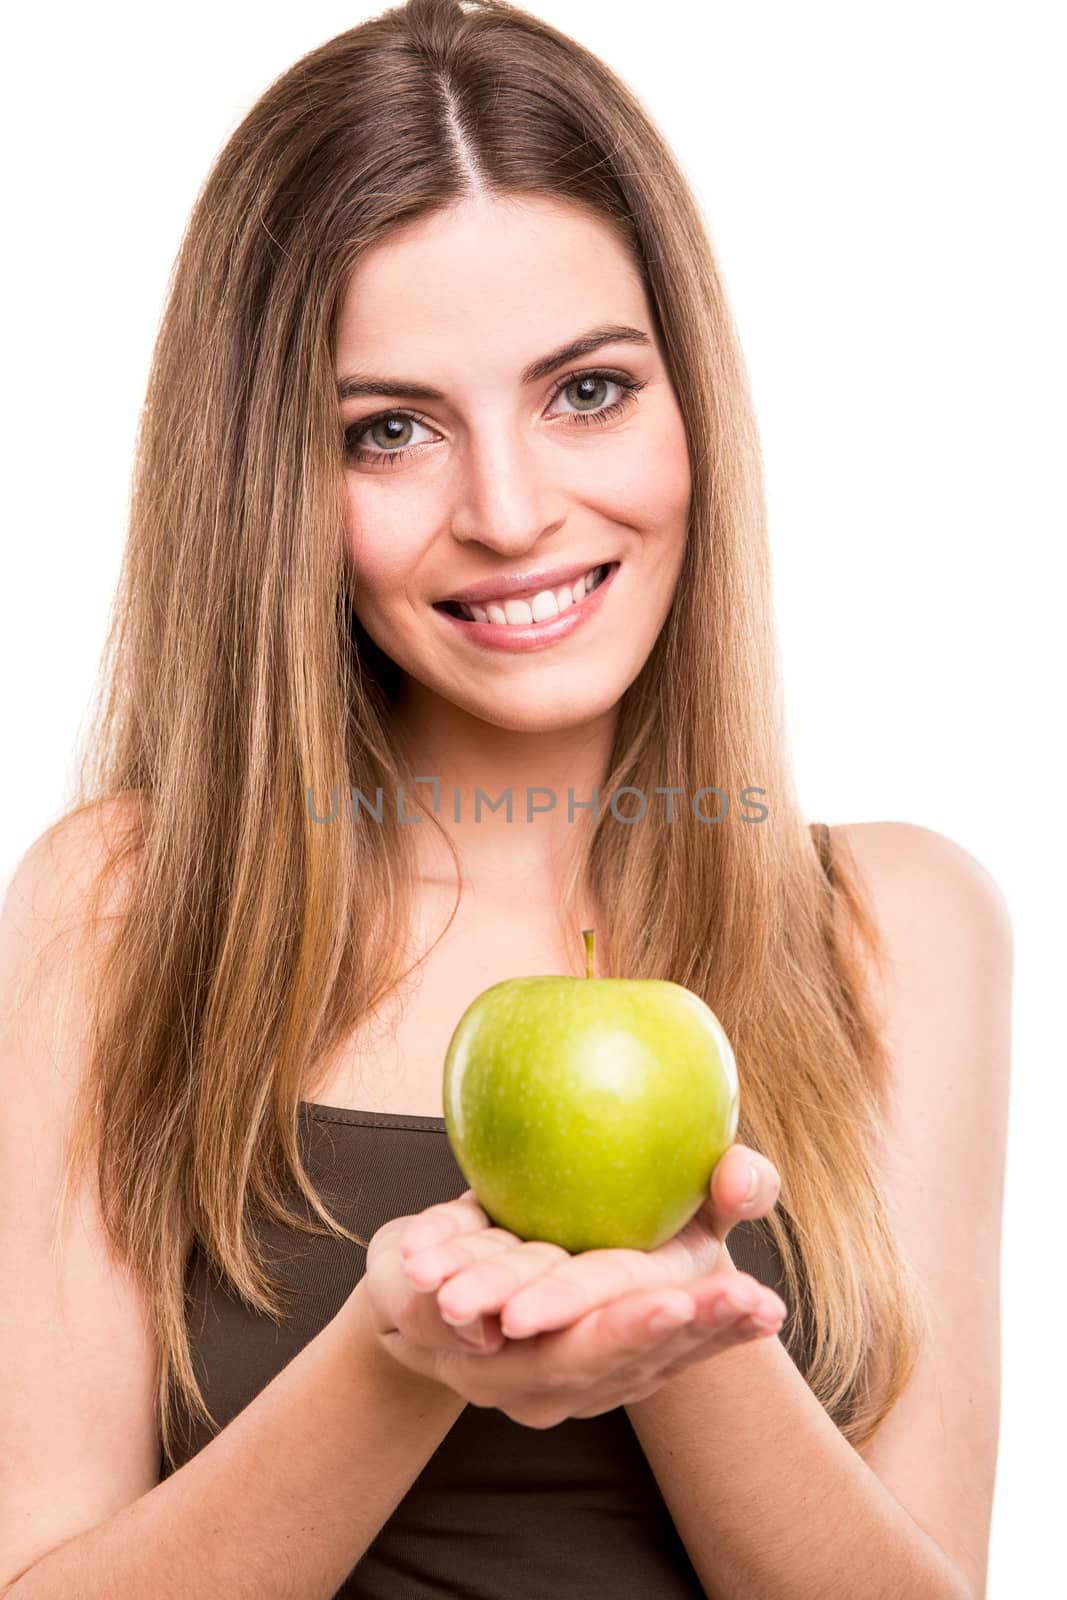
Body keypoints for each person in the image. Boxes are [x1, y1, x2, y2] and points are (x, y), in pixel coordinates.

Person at [0, 1, 1010, 1596]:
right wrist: (402, 1360)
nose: (514, 510)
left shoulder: (899, 927)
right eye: (390, 430)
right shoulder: (126, 907)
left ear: (692, 403)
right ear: (276, 487)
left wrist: (682, 1321)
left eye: (587, 391)